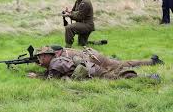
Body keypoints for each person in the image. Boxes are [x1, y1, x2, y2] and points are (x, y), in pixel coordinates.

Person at [28, 46, 163, 80]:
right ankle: (151, 62)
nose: (39, 60)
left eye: (40, 57)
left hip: (92, 62)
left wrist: (38, 75)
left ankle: (147, 74)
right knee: (121, 65)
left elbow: (53, 76)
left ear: (47, 55)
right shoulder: (60, 55)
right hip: (92, 58)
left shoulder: (57, 61)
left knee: (115, 74)